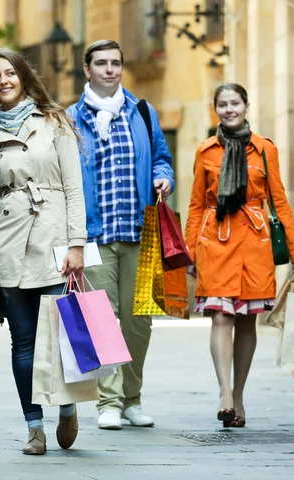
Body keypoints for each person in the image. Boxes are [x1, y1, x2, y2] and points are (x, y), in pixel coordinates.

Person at [184, 83, 294, 428]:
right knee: (220, 317)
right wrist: (189, 249)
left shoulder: (265, 149)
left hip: (255, 243)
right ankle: (225, 391)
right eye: (222, 104)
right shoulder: (205, 151)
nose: (229, 109)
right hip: (215, 240)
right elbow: (196, 205)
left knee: (245, 320)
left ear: (246, 106)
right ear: (216, 110)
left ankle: (239, 394)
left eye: (234, 103)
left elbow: (279, 200)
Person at [67, 40, 174, 430]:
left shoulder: (143, 112)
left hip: (142, 235)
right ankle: (108, 402)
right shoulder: (70, 118)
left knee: (139, 321)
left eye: (115, 62)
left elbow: (162, 156)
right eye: (101, 63)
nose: (110, 69)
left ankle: (132, 399)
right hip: (95, 234)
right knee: (101, 318)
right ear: (87, 69)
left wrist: (164, 177)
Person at [0, 49, 86, 455]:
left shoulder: (55, 121)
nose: (3, 80)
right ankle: (34, 428)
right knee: (22, 342)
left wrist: (76, 243)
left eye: (10, 73)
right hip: (9, 241)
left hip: (52, 239)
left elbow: (75, 188)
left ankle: (65, 408)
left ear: (24, 77)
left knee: (57, 339)